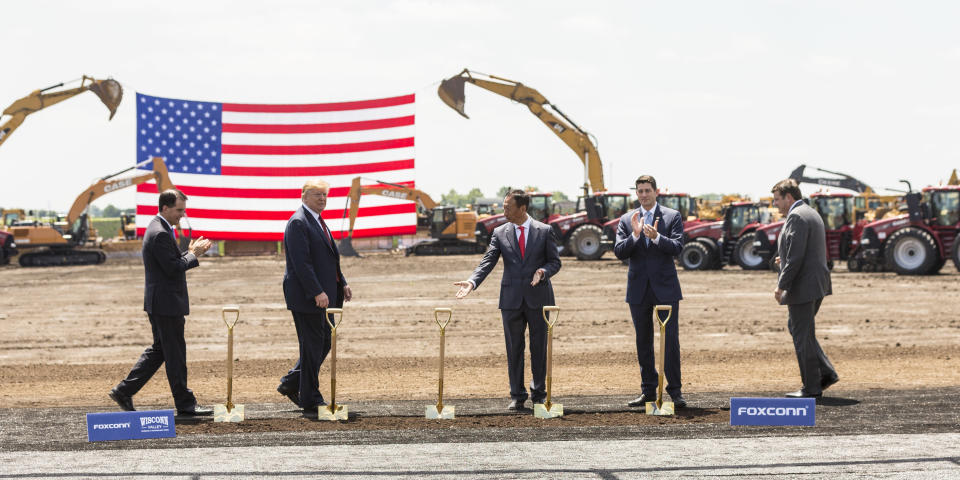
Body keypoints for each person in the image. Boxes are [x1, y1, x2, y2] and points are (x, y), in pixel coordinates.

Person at [454, 189, 561, 411]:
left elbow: (555, 262)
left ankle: (539, 394)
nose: (504, 210)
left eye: (507, 207)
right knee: (514, 349)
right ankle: (517, 395)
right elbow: (488, 261)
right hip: (511, 300)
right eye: (503, 206)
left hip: (539, 298)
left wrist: (542, 271)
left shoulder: (544, 231)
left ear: (522, 208)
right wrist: (472, 282)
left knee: (539, 347)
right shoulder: (499, 232)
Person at [109, 189, 214, 416]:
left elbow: (171, 262)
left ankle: (124, 390)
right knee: (174, 354)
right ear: (165, 207)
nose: (182, 215)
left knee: (161, 350)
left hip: (161, 303)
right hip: (166, 304)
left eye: (183, 210)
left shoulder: (159, 228)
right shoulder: (160, 233)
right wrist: (193, 254)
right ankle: (185, 404)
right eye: (178, 210)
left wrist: (189, 253)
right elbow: (173, 268)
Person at [276, 179, 352, 412]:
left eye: (324, 195)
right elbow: (302, 263)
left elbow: (328, 258)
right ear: (303, 196)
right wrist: (316, 291)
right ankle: (310, 397)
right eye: (317, 194)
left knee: (321, 343)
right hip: (307, 297)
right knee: (312, 345)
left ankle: (291, 383)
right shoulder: (298, 222)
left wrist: (343, 282)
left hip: (326, 294)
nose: (322, 198)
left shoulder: (318, 221)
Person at [614, 175, 687, 409]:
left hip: (665, 287)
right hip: (638, 289)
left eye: (647, 190)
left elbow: (677, 247)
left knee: (670, 341)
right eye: (640, 191)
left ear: (656, 192)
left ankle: (675, 392)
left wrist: (656, 238)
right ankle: (647, 391)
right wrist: (635, 235)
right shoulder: (627, 220)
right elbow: (619, 252)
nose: (644, 195)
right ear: (636, 193)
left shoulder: (671, 216)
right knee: (643, 341)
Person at [771, 179, 838, 398]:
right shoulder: (810, 212)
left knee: (801, 334)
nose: (775, 205)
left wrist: (782, 285)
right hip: (816, 284)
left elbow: (797, 257)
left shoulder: (797, 216)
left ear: (788, 197)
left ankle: (811, 387)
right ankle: (826, 372)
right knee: (799, 328)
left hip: (803, 286)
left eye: (777, 200)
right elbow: (801, 251)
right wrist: (786, 259)